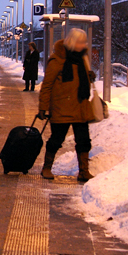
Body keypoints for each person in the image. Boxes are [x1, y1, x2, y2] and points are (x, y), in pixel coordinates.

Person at [37, 28, 97, 182]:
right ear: (72, 42)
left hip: (80, 106)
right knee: (57, 139)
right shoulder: (57, 60)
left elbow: (80, 81)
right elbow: (47, 85)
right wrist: (43, 107)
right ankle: (46, 168)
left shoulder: (83, 59)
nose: (84, 45)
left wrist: (89, 76)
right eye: (81, 42)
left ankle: (84, 171)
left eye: (84, 42)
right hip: (61, 107)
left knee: (84, 141)